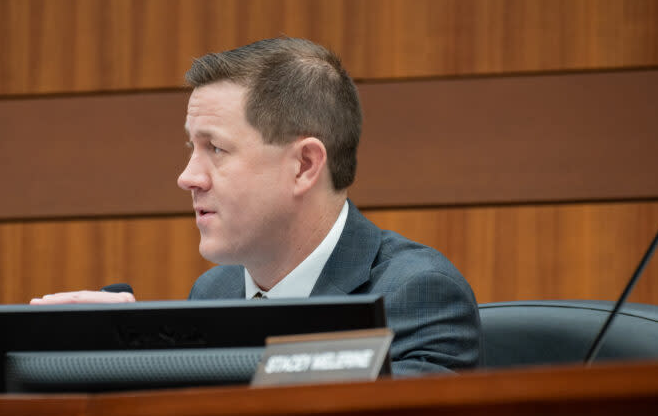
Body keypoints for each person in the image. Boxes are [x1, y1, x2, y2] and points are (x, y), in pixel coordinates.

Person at [32, 37, 481, 374]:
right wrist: (132, 358)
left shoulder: (417, 294)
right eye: (191, 147)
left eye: (216, 149)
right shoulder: (214, 293)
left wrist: (164, 364)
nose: (188, 177)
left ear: (305, 165)